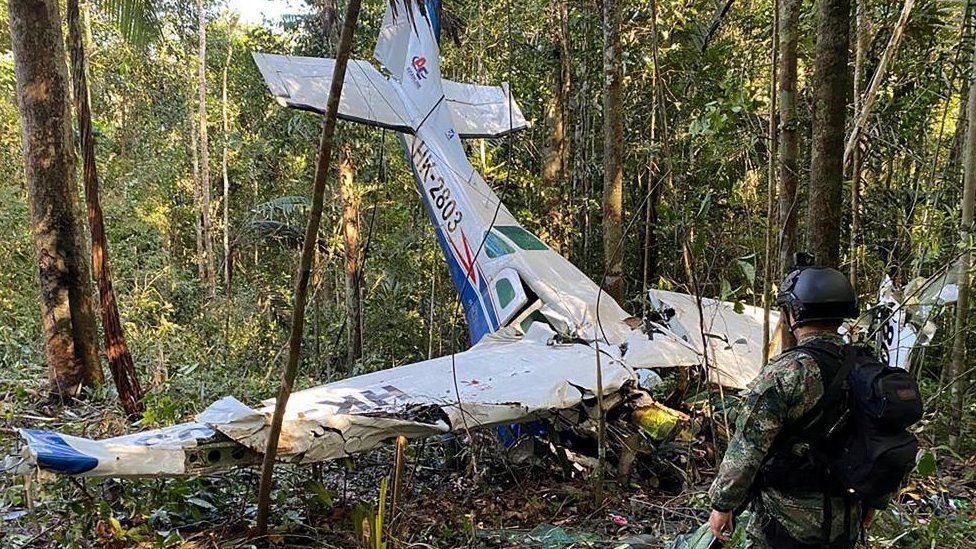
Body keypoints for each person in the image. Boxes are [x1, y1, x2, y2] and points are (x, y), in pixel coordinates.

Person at [706, 257, 887, 548]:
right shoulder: (867, 367)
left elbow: (747, 447)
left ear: (794, 313)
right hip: (848, 517)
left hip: (786, 519)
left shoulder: (788, 371)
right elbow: (885, 436)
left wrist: (722, 504)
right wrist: (875, 501)